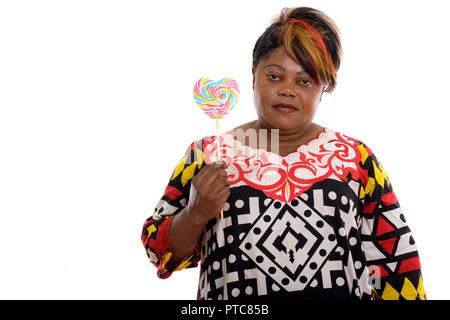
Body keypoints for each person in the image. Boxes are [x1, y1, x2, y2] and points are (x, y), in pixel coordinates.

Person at [141, 6, 426, 300]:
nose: (287, 90)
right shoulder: (207, 154)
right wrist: (195, 213)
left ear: (323, 87)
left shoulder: (355, 157)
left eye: (304, 81)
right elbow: (158, 251)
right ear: (254, 76)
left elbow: (396, 260)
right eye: (275, 76)